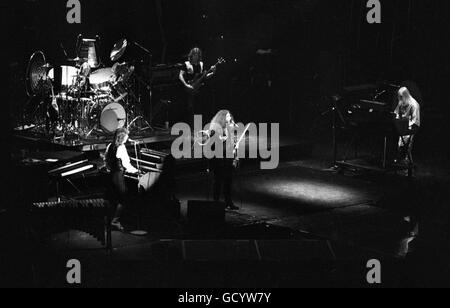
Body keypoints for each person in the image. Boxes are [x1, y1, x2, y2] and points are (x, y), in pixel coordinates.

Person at [104, 128, 139, 231]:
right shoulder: (121, 147)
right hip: (118, 175)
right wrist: (135, 170)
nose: (128, 138)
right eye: (126, 136)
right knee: (123, 197)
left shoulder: (110, 146)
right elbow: (126, 164)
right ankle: (115, 221)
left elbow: (106, 159)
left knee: (113, 197)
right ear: (122, 137)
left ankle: (110, 219)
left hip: (111, 174)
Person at [208, 110, 240, 211]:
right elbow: (210, 146)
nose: (230, 117)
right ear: (222, 118)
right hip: (219, 160)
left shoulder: (230, 129)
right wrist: (220, 140)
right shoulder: (215, 130)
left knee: (228, 182)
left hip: (228, 158)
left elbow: (233, 144)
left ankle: (228, 202)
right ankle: (216, 203)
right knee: (218, 182)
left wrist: (236, 156)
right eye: (227, 116)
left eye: (230, 115)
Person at [179, 47, 216, 126]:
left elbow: (204, 77)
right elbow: (180, 75)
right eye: (194, 55)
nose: (196, 56)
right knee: (190, 108)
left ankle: (198, 127)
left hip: (199, 89)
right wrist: (186, 85)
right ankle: (190, 127)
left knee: (199, 109)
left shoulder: (201, 64)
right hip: (189, 88)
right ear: (191, 55)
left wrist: (213, 72)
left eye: (198, 55)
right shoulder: (186, 64)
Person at [394, 87, 421, 164]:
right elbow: (396, 112)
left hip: (410, 129)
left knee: (406, 149)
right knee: (400, 147)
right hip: (401, 128)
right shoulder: (402, 101)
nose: (400, 99)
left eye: (401, 97)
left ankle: (406, 166)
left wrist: (405, 124)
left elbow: (415, 121)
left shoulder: (414, 105)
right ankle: (400, 164)